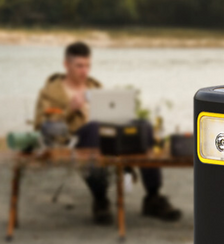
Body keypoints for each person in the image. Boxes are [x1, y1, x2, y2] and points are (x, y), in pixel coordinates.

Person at [34, 42, 182, 225]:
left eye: (87, 65)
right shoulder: (50, 93)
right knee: (95, 128)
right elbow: (41, 125)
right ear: (66, 65)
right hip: (77, 139)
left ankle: (153, 196)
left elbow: (111, 113)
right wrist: (69, 110)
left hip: (108, 135)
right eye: (79, 66)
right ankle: (100, 199)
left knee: (144, 127)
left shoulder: (95, 87)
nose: (84, 71)